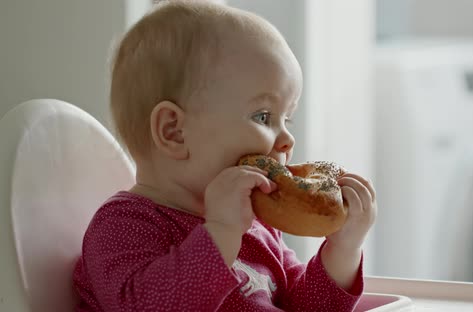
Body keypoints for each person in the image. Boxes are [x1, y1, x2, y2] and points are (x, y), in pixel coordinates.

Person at [73, 1, 377, 311]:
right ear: (174, 132)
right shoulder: (124, 225)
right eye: (263, 116)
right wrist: (219, 234)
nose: (287, 140)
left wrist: (342, 252)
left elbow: (304, 307)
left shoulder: (258, 228)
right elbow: (146, 306)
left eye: (288, 119)